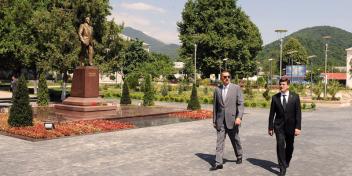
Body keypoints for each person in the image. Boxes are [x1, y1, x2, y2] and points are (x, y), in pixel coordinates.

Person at [210, 71, 244, 171]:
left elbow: (240, 104)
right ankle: (218, 162)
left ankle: (239, 155)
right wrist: (214, 120)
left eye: (229, 76)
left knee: (235, 139)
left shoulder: (236, 88)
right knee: (219, 142)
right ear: (221, 78)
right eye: (225, 77)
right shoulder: (217, 90)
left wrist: (239, 117)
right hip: (220, 121)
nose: (227, 78)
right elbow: (215, 106)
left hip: (233, 120)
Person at [268, 77, 302, 176]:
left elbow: (298, 113)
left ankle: (286, 160)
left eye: (283, 84)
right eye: (280, 84)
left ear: (288, 85)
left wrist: (298, 127)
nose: (281, 86)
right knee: (280, 145)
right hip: (278, 127)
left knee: (290, 146)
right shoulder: (275, 98)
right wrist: (270, 127)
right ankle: (282, 167)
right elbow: (271, 114)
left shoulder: (295, 97)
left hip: (291, 127)